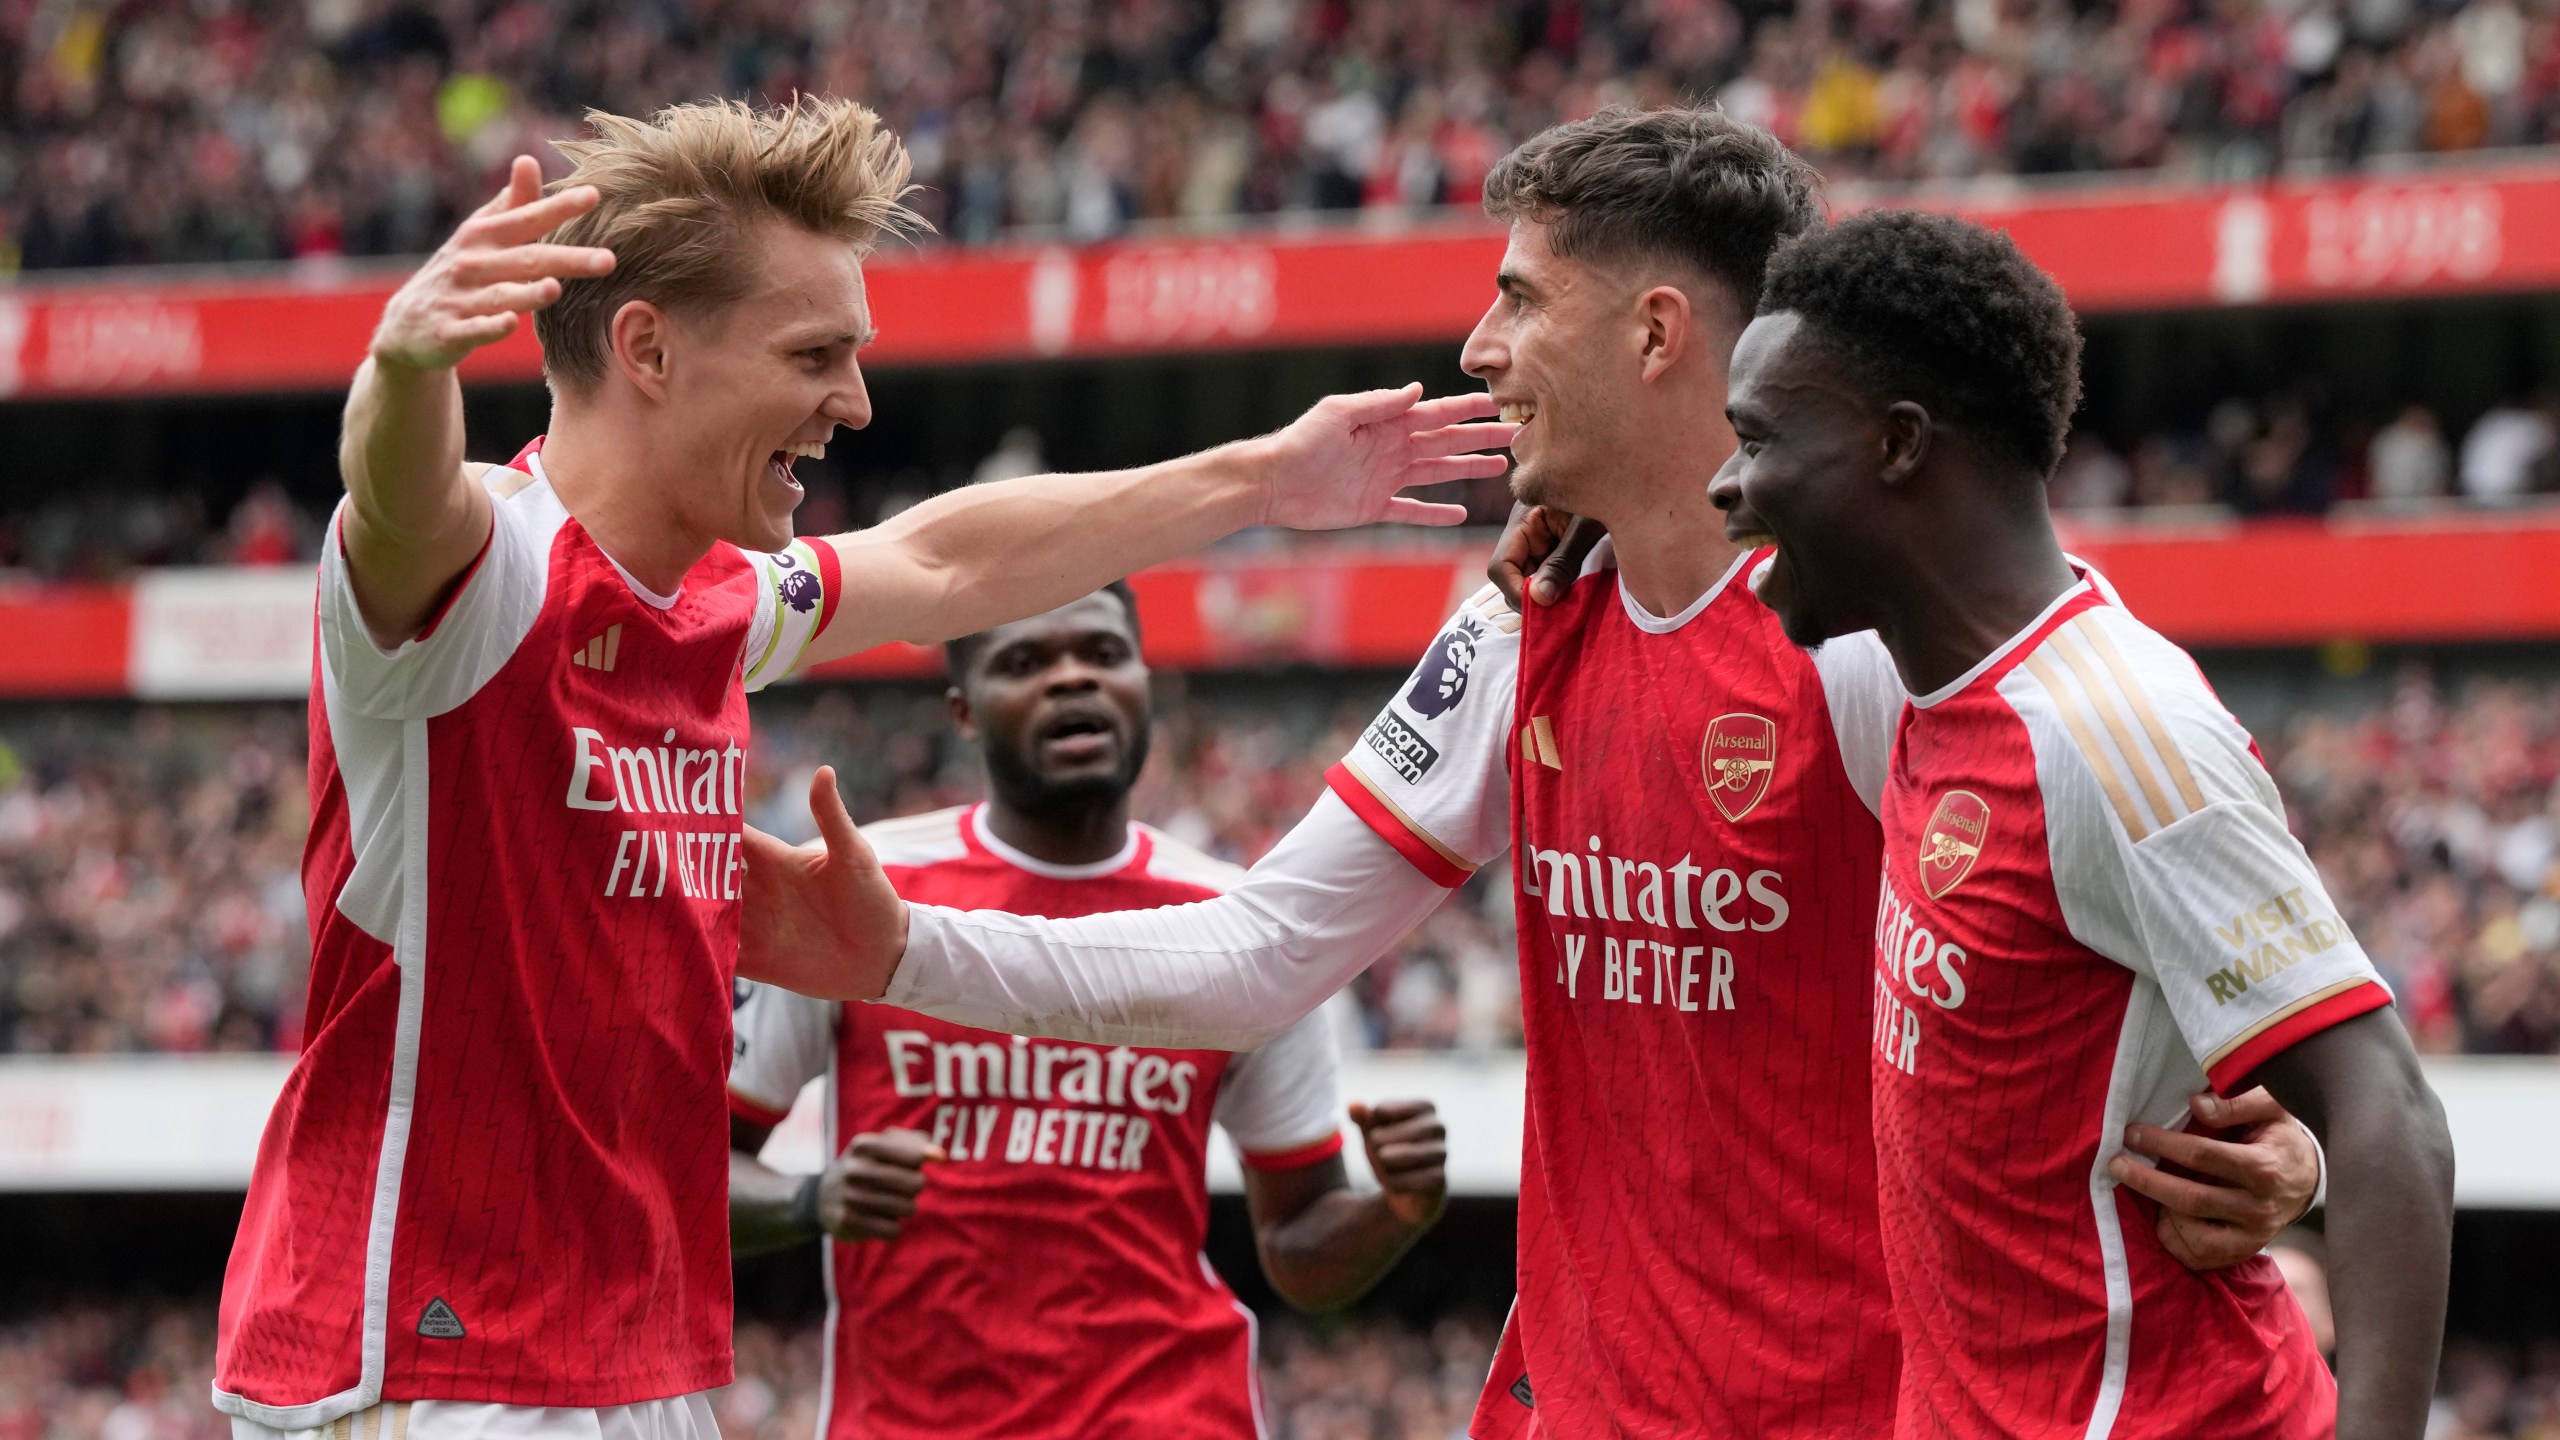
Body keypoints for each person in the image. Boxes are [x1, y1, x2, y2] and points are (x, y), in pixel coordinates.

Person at [742, 107, 2323, 1438]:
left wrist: (2268, 1136)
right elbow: (1260, 953)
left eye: (1517, 298)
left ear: (1655, 334)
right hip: (1577, 1397)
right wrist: (899, 952)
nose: (1478, 346)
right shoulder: (1522, 610)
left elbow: (2131, 948)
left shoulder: (1866, 645)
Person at [213, 97, 1512, 1439]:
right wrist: (406, 366)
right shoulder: (489, 576)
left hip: (632, 1359)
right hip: (429, 1365)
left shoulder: (715, 597)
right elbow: (397, 498)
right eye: (815, 353)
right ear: (647, 350)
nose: (854, 400)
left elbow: (948, 562)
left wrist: (1260, 478)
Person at [1707, 207, 2453, 1438]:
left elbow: (2390, 1117)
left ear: (1897, 446)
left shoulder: (2117, 735)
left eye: (1755, 439)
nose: (1726, 484)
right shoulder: (1927, 679)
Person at [725, 585, 1450, 1439]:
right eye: (1026, 662)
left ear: (1147, 682)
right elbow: (687, 1175)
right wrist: (809, 1199)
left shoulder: (1245, 927)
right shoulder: (855, 891)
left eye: (1103, 656)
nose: (1073, 680)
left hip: (1176, 1417)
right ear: (962, 711)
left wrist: (1396, 1209)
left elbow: (1298, 1246)